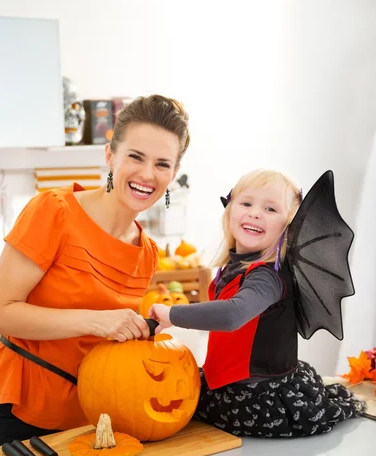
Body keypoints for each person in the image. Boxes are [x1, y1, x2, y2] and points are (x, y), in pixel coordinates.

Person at [0, 94, 190, 451]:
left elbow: (108, 347)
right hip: (16, 411)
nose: (147, 175)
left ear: (173, 174)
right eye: (135, 157)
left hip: (94, 420)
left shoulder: (147, 253)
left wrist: (142, 329)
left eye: (162, 164)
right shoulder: (53, 211)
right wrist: (98, 321)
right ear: (110, 156)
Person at [150, 169, 366, 438]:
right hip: (228, 381)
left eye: (270, 208)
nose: (255, 213)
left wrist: (172, 313)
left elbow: (233, 315)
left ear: (288, 226)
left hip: (256, 395)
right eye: (246, 203)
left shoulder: (266, 276)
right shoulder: (233, 267)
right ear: (229, 211)